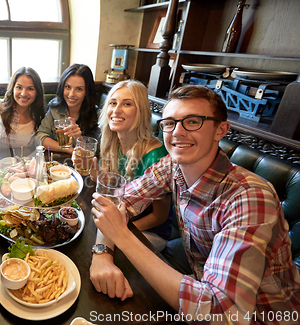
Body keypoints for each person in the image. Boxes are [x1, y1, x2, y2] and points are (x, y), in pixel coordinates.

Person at [91, 85, 300, 321]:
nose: (178, 132)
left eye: (192, 122)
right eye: (170, 123)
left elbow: (221, 312)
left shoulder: (249, 197)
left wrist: (123, 237)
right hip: (199, 288)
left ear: (220, 129)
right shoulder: (172, 165)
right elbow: (120, 202)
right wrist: (102, 255)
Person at [82, 80, 173, 300]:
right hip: (118, 221)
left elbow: (160, 217)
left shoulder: (156, 155)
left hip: (148, 230)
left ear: (141, 111)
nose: (116, 109)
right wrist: (93, 170)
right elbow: (111, 192)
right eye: (112, 103)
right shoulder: (112, 141)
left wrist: (121, 232)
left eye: (127, 104)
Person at [35, 63, 99, 155]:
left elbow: (95, 153)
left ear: (87, 92)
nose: (71, 94)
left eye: (79, 89)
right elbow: (40, 137)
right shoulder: (55, 108)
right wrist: (68, 149)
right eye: (68, 87)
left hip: (83, 166)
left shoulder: (97, 115)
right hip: (58, 164)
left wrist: (79, 137)